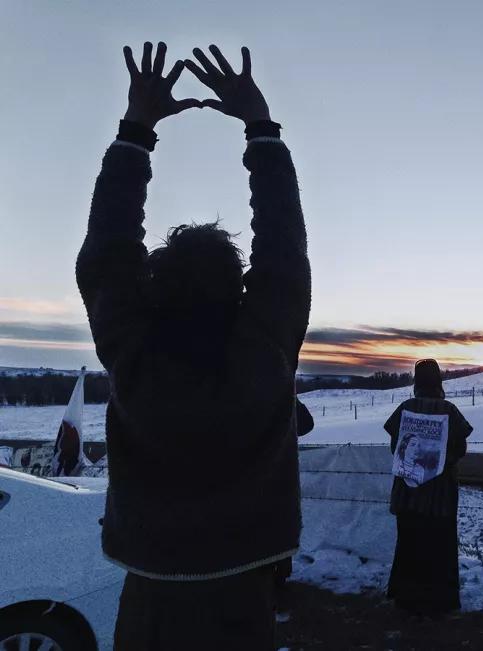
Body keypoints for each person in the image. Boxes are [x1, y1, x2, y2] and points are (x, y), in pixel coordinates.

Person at [76, 41, 310, 649]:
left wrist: (137, 130)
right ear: (240, 288)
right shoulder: (264, 347)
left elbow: (107, 253)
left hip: (149, 593)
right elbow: (283, 248)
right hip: (245, 595)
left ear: (153, 288)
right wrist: (260, 126)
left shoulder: (133, 349)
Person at [383, 359, 473, 614]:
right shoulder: (449, 410)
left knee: (409, 544)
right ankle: (439, 601)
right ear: (439, 382)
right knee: (440, 547)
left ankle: (406, 598)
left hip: (407, 494)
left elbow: (395, 446)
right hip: (440, 497)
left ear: (416, 382)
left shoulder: (405, 408)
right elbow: (460, 449)